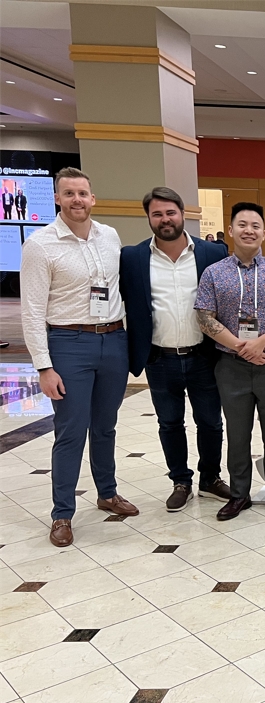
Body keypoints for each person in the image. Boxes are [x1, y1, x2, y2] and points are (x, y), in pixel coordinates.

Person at [20, 167, 136, 548]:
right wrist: (43, 365)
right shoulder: (40, 245)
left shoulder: (109, 236)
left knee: (106, 426)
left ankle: (107, 493)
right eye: (68, 194)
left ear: (93, 197)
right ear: (57, 198)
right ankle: (62, 514)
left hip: (113, 340)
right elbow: (33, 310)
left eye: (82, 193)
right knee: (71, 431)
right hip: (69, 343)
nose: (76, 200)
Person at [120, 187, 231, 512]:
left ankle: (210, 478)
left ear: (182, 214)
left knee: (210, 422)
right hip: (159, 358)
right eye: (157, 214)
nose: (165, 219)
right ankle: (180, 481)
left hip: (203, 356)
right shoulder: (133, 258)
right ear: (149, 219)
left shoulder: (212, 254)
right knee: (169, 423)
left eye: (170, 212)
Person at [194, 201, 265, 522]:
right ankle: (239, 493)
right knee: (237, 432)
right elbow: (204, 317)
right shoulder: (214, 273)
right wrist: (242, 346)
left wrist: (260, 343)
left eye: (255, 226)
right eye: (242, 225)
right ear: (230, 230)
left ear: (264, 233)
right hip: (231, 366)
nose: (248, 231)